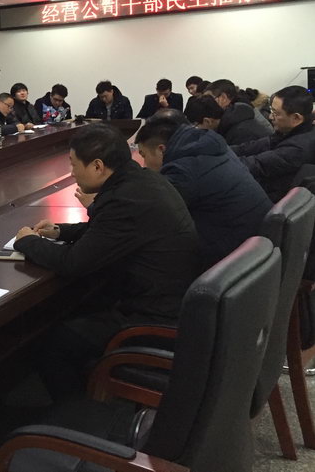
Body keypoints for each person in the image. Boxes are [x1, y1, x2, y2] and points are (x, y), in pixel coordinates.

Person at [13, 123, 199, 400]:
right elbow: (106, 231)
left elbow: (73, 262)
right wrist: (61, 231)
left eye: (74, 165)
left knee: (51, 344)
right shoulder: (140, 181)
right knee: (76, 307)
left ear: (98, 166)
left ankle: (76, 415)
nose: (72, 173)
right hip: (172, 301)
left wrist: (27, 241)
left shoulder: (124, 199)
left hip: (153, 317)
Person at [136, 111, 272, 271]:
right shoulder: (211, 148)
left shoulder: (182, 171)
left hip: (233, 257)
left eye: (143, 155)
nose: (144, 164)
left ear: (161, 150)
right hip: (257, 243)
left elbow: (152, 213)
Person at [232, 85, 315, 202]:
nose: (271, 117)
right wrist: (225, 150)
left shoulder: (297, 148)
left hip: (274, 201)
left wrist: (220, 162)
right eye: (271, 111)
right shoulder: (292, 130)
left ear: (296, 118)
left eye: (276, 113)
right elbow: (252, 146)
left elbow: (256, 165)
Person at [206, 79, 273, 145]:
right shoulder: (234, 115)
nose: (205, 104)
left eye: (209, 99)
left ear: (223, 98)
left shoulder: (241, 127)